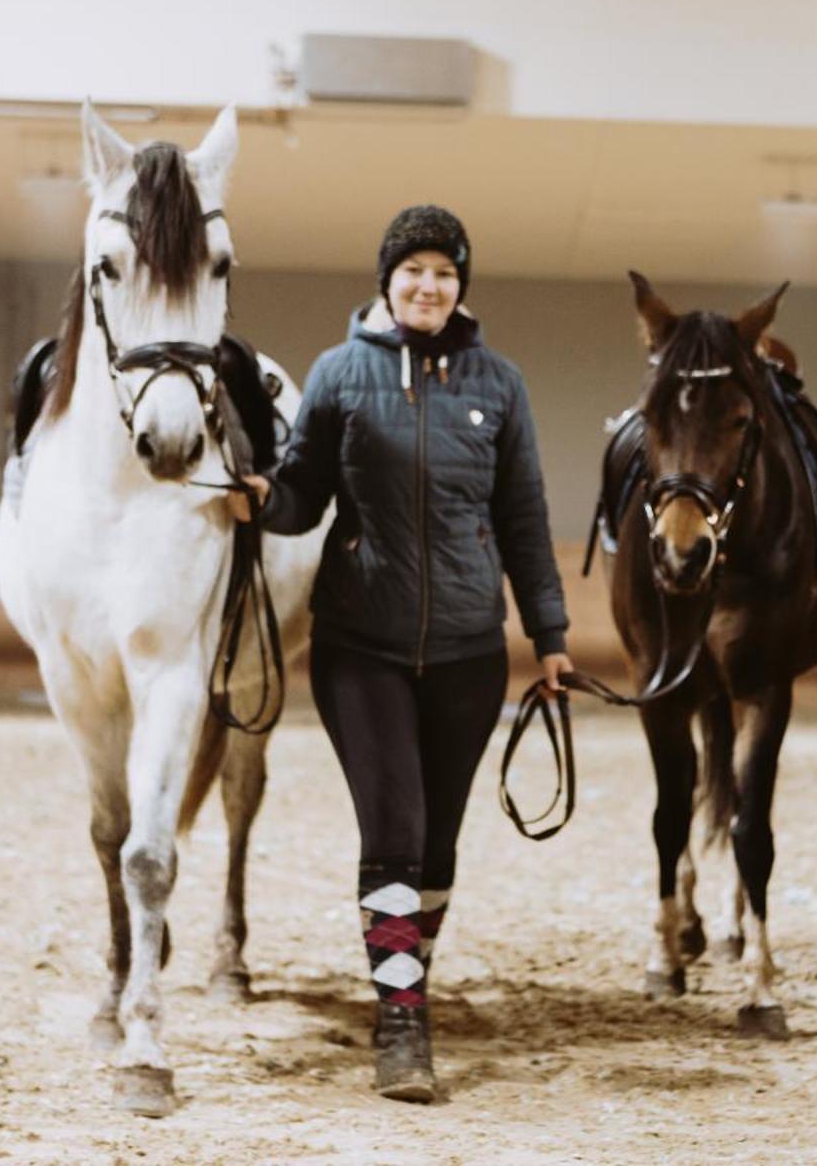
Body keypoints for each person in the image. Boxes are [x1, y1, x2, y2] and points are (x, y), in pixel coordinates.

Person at [233, 204, 572, 1104]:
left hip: (469, 650)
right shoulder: (340, 374)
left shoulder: (499, 385)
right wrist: (262, 498)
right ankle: (401, 1022)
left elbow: (525, 520)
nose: (428, 286)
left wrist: (551, 639)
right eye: (413, 270)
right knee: (393, 831)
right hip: (360, 645)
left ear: (461, 286)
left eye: (445, 273)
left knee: (438, 845)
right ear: (387, 279)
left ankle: (403, 974)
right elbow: (305, 490)